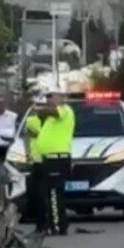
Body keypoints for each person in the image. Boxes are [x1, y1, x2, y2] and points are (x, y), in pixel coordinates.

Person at [25, 91, 75, 235]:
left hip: (57, 157)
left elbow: (52, 111)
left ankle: (57, 226)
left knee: (54, 193)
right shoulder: (50, 118)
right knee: (45, 192)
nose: (48, 101)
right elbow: (31, 131)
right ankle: (49, 225)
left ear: (60, 98)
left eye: (51, 97)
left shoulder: (65, 110)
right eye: (47, 98)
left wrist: (39, 108)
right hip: (47, 158)